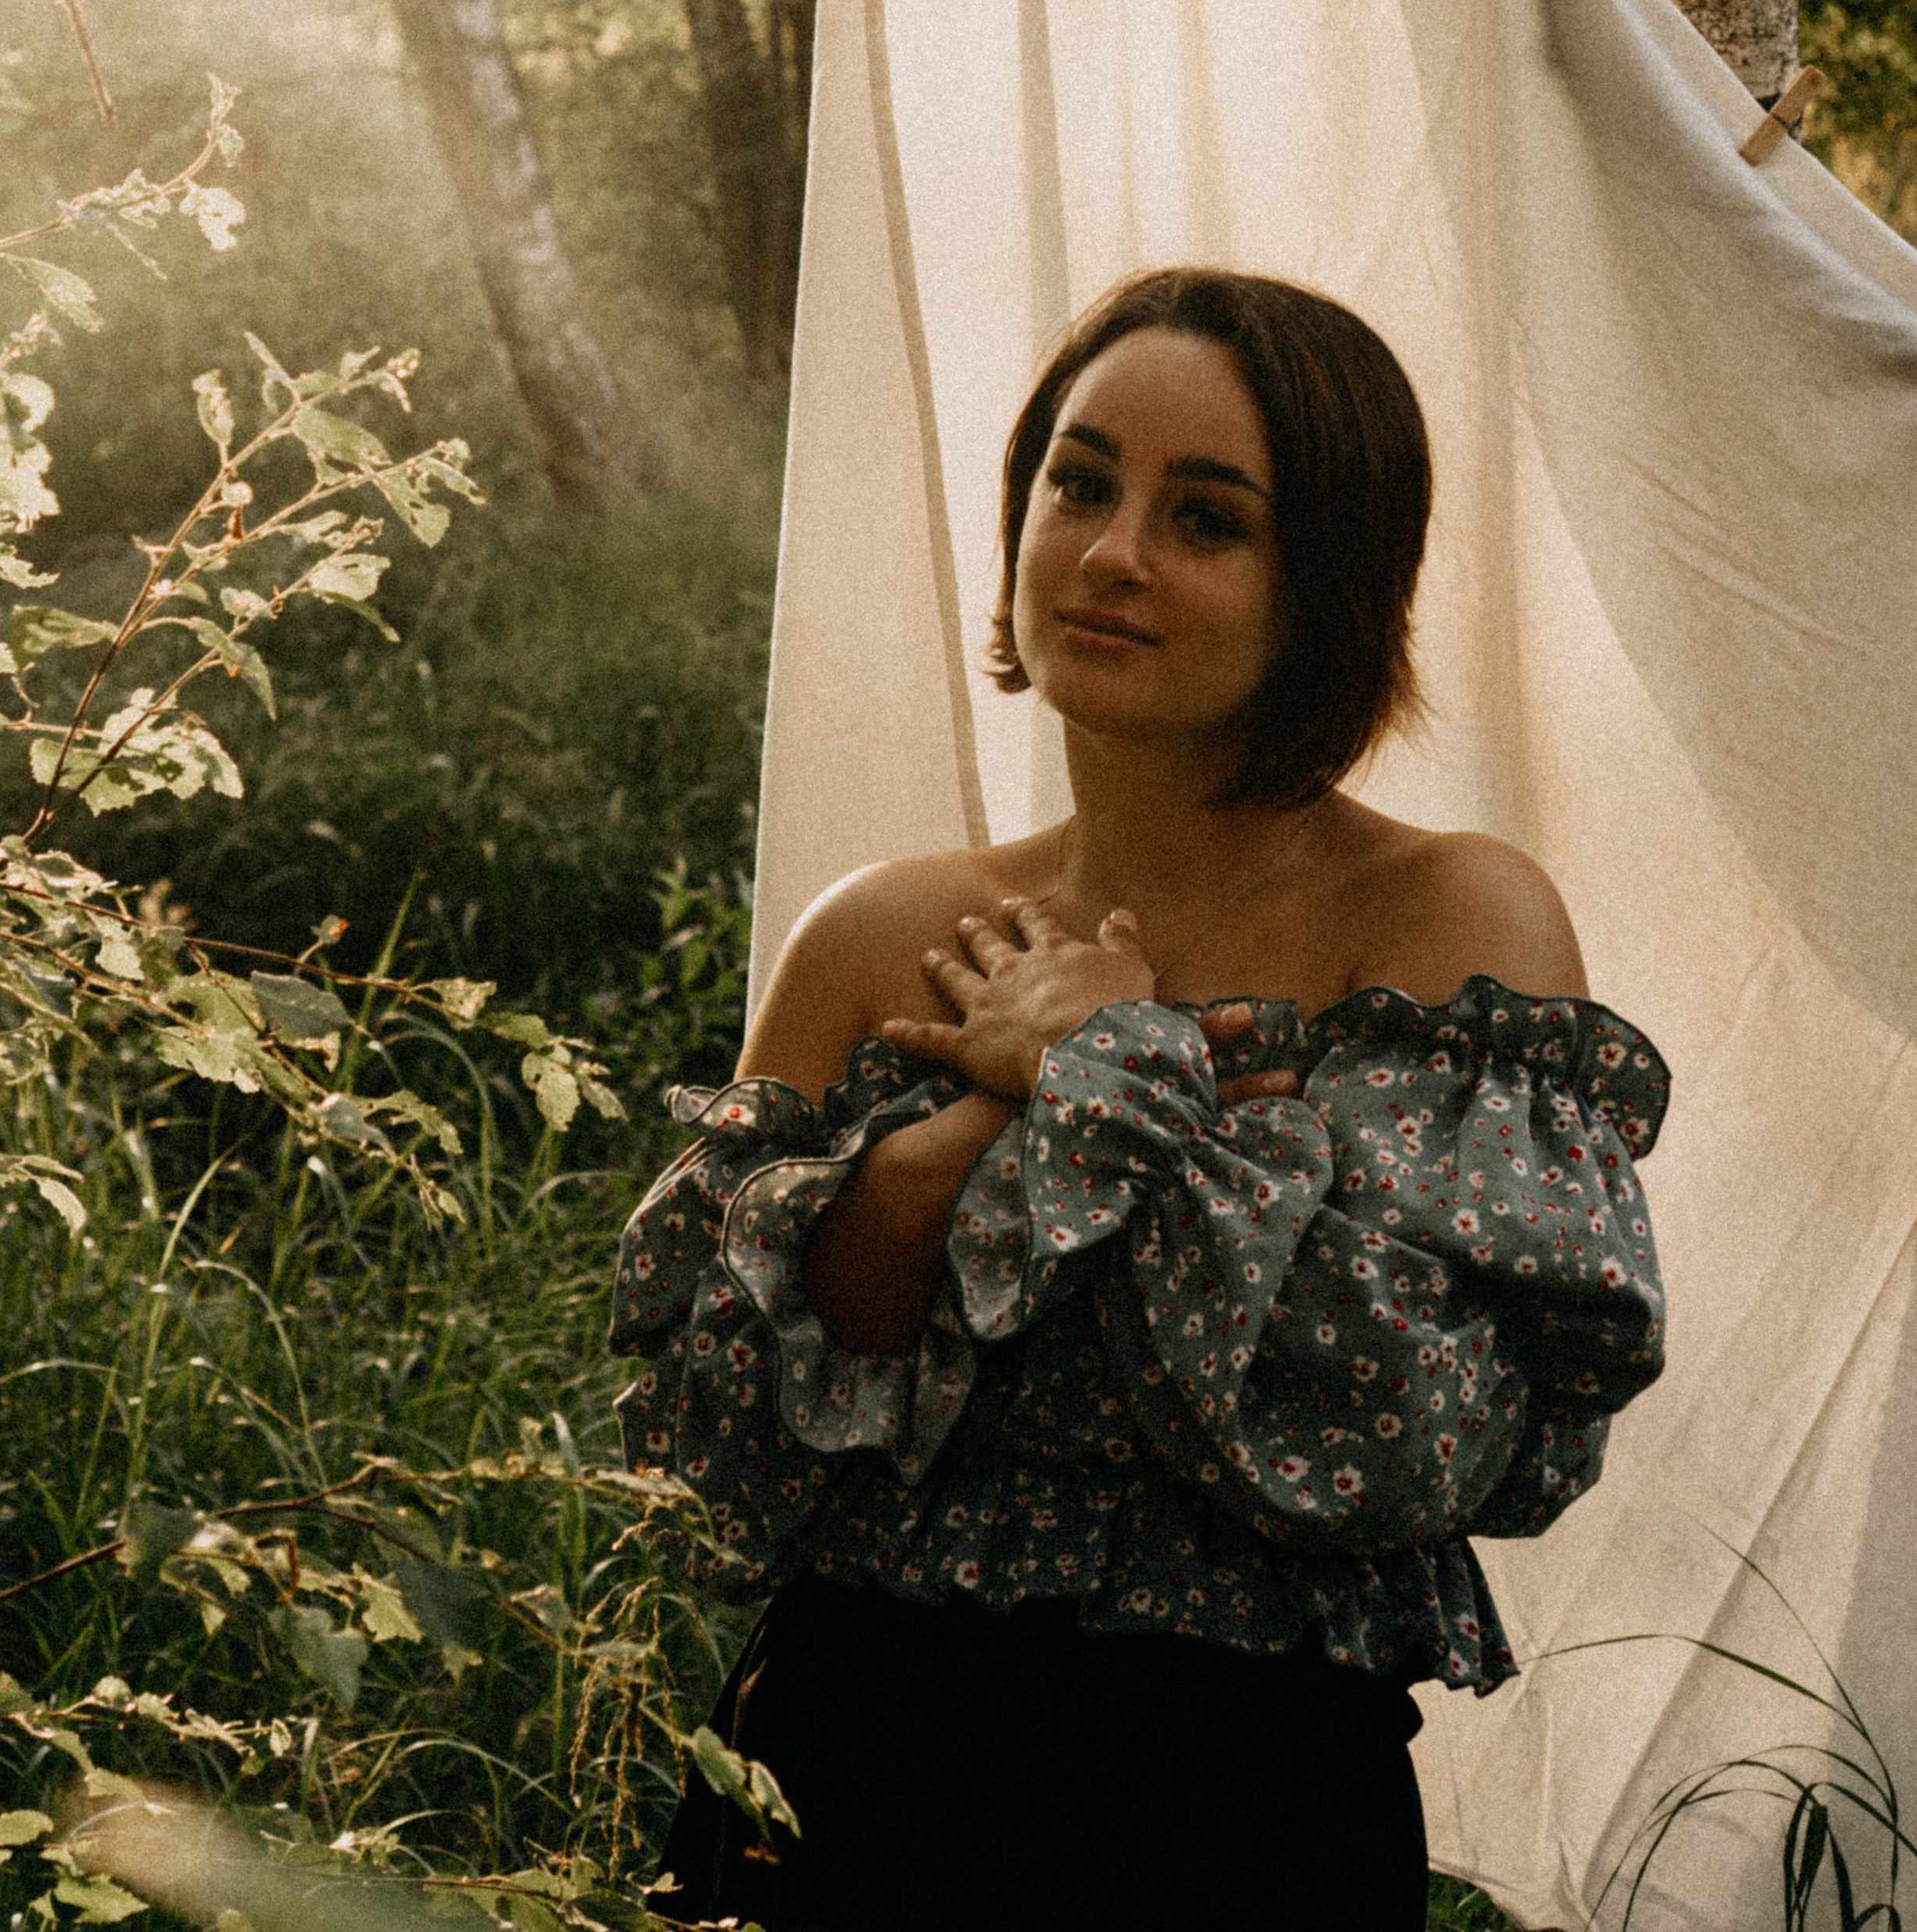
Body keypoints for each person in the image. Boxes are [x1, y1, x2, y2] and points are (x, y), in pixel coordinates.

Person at [613, 268, 1669, 1932]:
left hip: (1237, 1810)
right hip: (844, 1767)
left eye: (1206, 519)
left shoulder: (1450, 931)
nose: (1111, 554)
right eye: (1079, 483)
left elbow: (1405, 1435)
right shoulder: (882, 933)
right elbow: (710, 1449)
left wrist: (1105, 1076)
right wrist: (943, 1155)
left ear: (1323, 579)